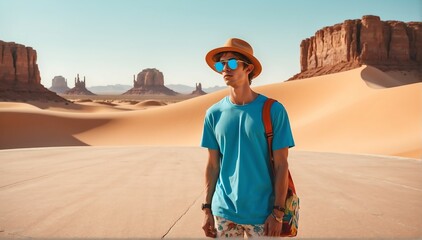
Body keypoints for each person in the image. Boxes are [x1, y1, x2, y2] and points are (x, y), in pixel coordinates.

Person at [200, 38, 295, 238]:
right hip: (223, 212)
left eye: (232, 62)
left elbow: (281, 165)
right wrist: (207, 209)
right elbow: (212, 165)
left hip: (264, 214)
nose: (225, 68)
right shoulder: (213, 113)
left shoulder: (273, 110)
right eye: (221, 64)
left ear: (248, 68)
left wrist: (278, 213)